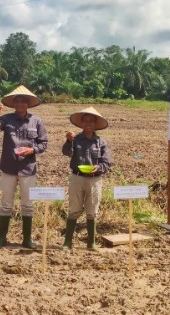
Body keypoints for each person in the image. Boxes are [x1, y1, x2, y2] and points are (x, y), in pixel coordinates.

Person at [0, 85, 48, 249]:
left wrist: (32, 150)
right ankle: (1, 238)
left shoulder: (36, 121)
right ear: (14, 104)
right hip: (8, 167)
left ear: (28, 104)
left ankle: (27, 239)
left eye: (24, 101)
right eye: (18, 101)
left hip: (28, 168)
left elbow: (43, 144)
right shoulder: (6, 119)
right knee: (6, 203)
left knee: (28, 205)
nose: (21, 104)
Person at [61, 106, 112, 250]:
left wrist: (99, 168)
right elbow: (66, 152)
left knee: (92, 210)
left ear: (95, 124)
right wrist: (68, 141)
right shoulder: (75, 139)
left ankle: (91, 242)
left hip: (95, 180)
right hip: (77, 177)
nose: (88, 123)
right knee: (74, 209)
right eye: (85, 121)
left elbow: (107, 162)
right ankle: (67, 242)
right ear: (81, 123)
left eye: (91, 121)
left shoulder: (101, 142)